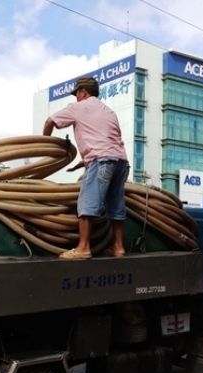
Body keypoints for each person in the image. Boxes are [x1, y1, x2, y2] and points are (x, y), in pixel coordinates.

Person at [43, 76, 130, 259]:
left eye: (77, 94)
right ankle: (118, 248)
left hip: (101, 161)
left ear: (83, 92)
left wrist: (46, 147)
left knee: (86, 203)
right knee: (115, 205)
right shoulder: (109, 111)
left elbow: (49, 121)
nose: (75, 97)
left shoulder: (78, 107)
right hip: (121, 162)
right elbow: (107, 142)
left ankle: (83, 248)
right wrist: (83, 162)